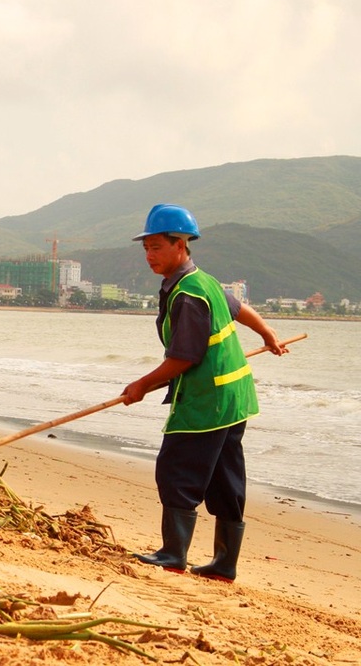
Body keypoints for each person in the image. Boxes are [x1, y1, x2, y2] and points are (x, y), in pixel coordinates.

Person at [121, 203, 287, 582]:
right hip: (235, 397)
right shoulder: (203, 281)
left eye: (157, 247)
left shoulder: (189, 294)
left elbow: (184, 357)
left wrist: (141, 386)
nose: (149, 255)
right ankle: (224, 564)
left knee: (177, 470)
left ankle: (172, 554)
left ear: (180, 244)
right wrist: (267, 334)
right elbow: (239, 308)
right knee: (225, 478)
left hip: (208, 401)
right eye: (146, 248)